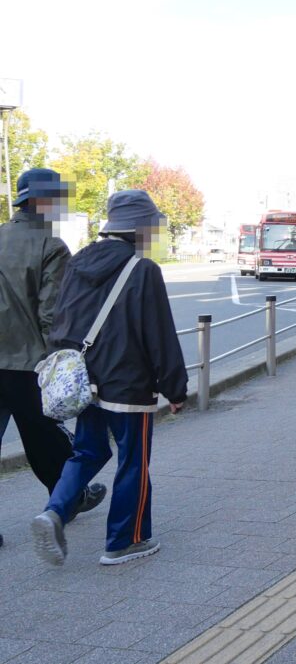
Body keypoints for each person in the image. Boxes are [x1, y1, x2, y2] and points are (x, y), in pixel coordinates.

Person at [32, 190, 188, 567]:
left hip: (86, 381)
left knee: (88, 450)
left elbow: (59, 319)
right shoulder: (143, 270)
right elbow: (159, 333)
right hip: (129, 385)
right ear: (139, 229)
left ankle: (54, 511)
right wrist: (175, 388)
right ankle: (125, 541)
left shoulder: (79, 261)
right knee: (133, 460)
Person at [0, 169, 106, 525]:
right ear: (42, 202)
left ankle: (72, 497)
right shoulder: (51, 246)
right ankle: (70, 497)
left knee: (40, 436)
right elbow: (53, 313)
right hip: (27, 362)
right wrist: (59, 361)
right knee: (45, 435)